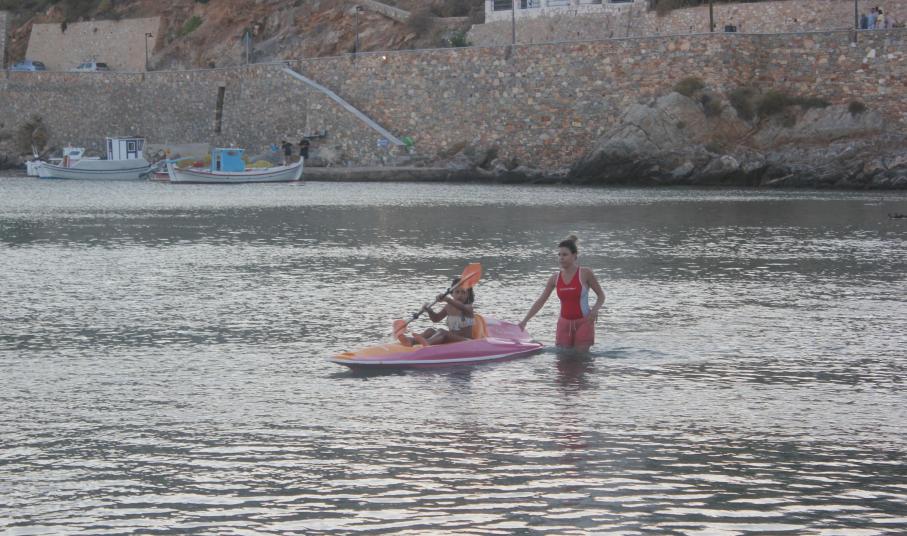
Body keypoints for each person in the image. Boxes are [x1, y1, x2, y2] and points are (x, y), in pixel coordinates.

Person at [518, 235, 605, 353]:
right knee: (562, 359)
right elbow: (541, 301)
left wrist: (594, 310)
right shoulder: (555, 278)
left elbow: (601, 296)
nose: (561, 258)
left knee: (581, 359)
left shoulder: (585, 273)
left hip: (584, 323)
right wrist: (525, 320)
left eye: (565, 255)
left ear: (574, 256)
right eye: (559, 255)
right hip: (564, 324)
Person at [397, 278, 475, 347]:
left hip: (465, 341)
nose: (460, 295)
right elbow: (436, 319)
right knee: (430, 331)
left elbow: (461, 307)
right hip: (451, 339)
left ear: (468, 295)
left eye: (463, 292)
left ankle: (427, 343)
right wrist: (429, 311)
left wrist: (447, 299)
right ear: (452, 293)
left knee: (442, 332)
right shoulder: (448, 307)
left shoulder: (468, 307)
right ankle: (411, 341)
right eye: (457, 292)